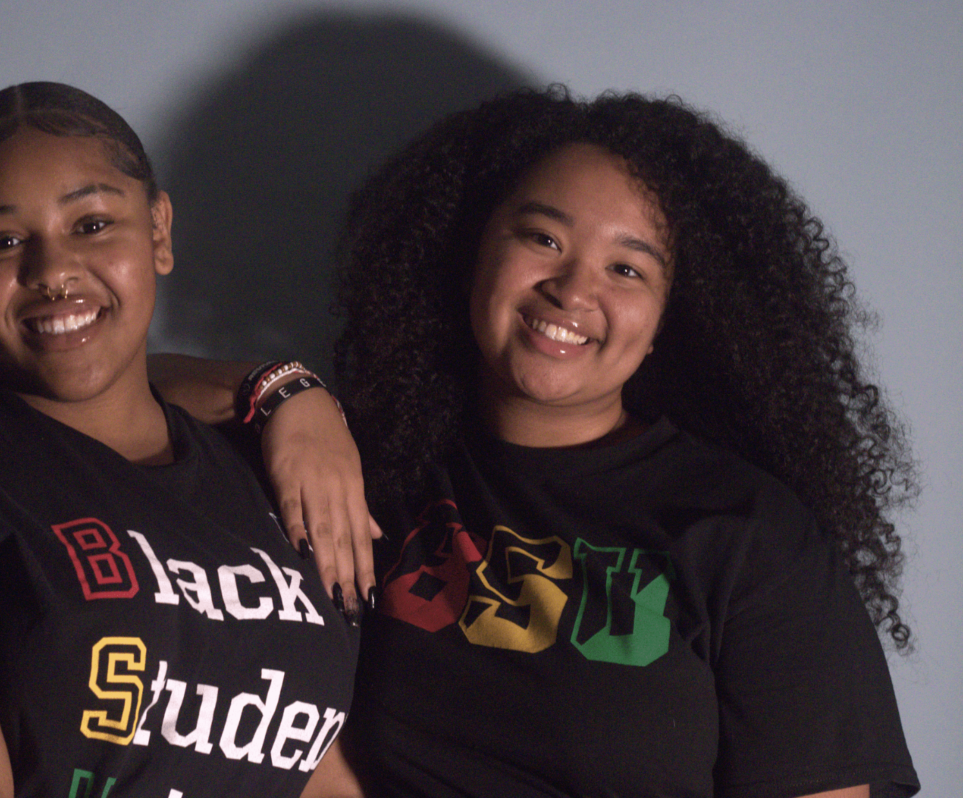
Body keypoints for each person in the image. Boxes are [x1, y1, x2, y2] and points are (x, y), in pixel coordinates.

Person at [0, 82, 362, 798]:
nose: (51, 273)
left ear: (159, 231)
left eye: (93, 224)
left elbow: (307, 764)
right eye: (2, 241)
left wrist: (289, 388)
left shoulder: (266, 470)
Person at [321, 87, 920, 797]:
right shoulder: (362, 471)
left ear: (668, 317)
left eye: (627, 269)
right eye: (543, 238)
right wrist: (283, 397)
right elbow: (157, 403)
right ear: (473, 249)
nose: (573, 290)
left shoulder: (746, 533)